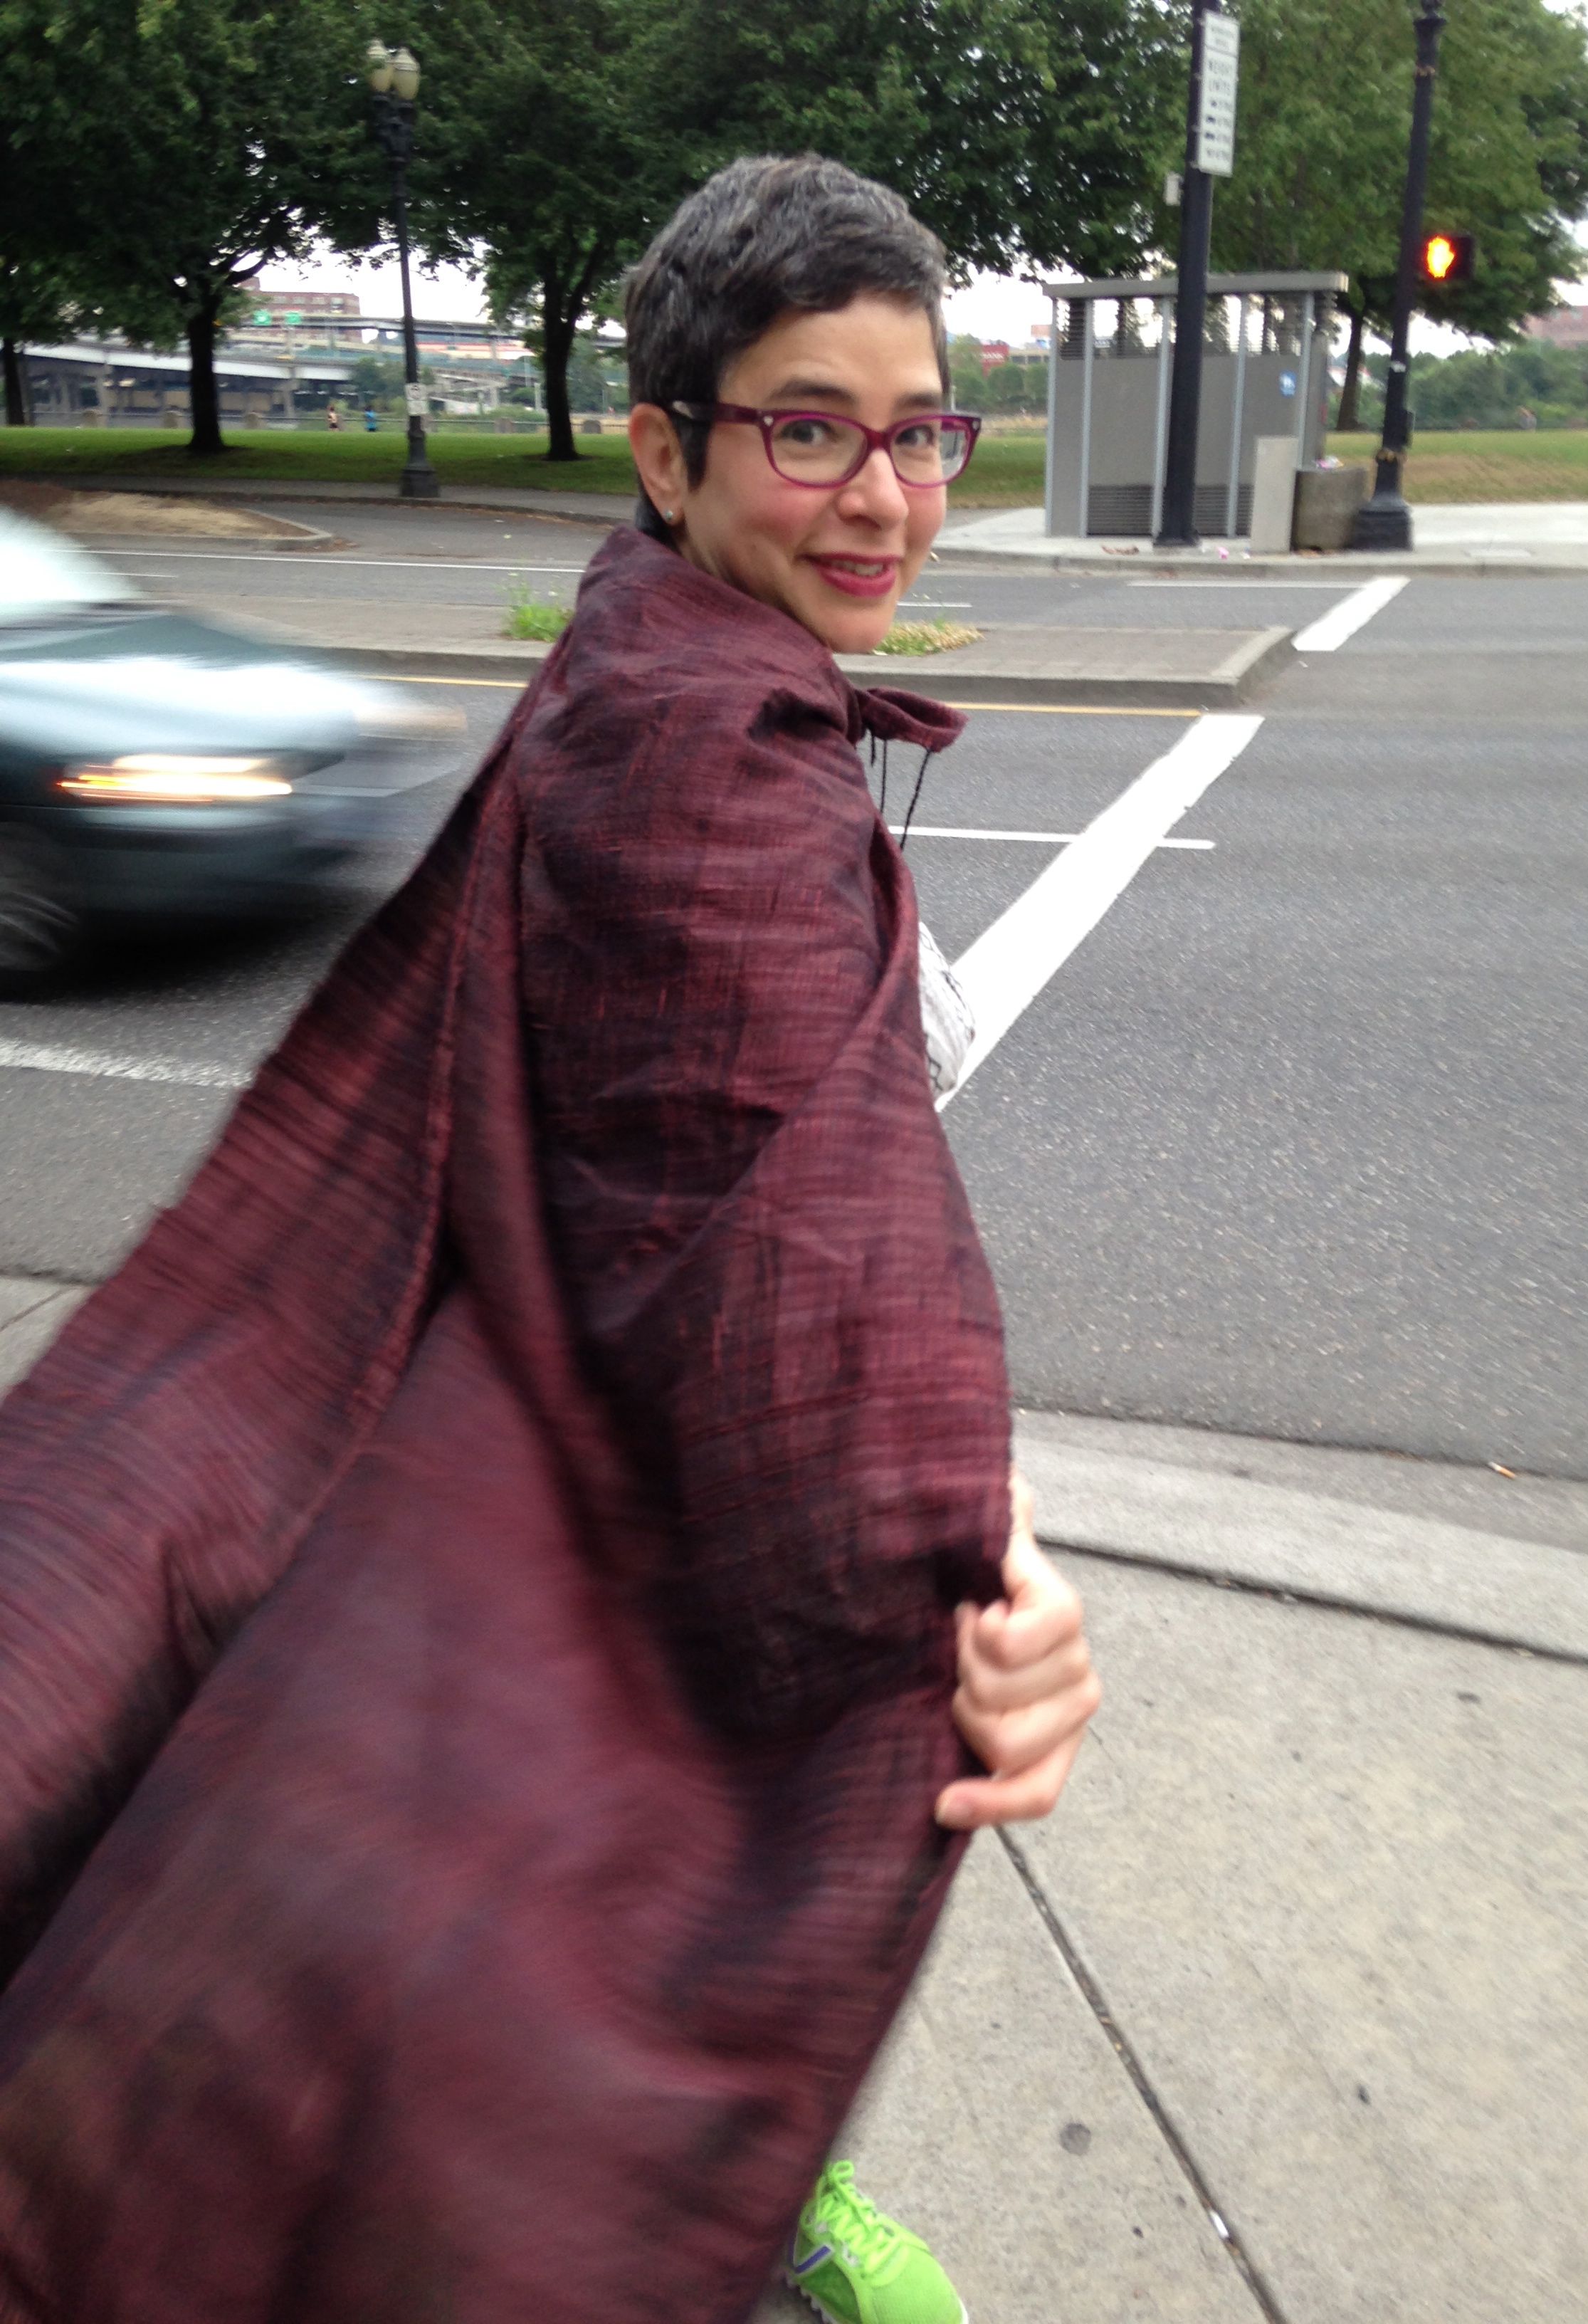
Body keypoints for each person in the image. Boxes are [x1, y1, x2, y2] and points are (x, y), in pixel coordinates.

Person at [0, 156, 1098, 2324]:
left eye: (921, 432)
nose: (884, 495)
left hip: (488, 1492)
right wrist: (979, 1569)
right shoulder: (709, 759)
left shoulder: (646, 647)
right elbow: (796, 1308)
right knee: (488, 2131)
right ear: (667, 450)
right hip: (523, 1593)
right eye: (810, 427)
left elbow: (652, 1183)